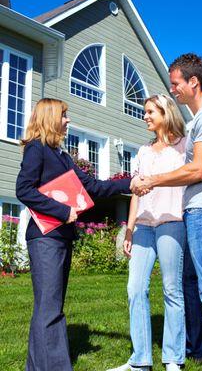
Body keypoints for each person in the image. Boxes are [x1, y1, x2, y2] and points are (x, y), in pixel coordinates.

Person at [107, 94, 202, 371]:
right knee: (135, 289)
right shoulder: (142, 151)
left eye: (150, 111)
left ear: (166, 113)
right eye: (145, 112)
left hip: (172, 222)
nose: (146, 116)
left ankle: (173, 358)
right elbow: (135, 194)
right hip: (143, 226)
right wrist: (129, 230)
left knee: (172, 289)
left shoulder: (186, 145)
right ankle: (140, 359)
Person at [131, 53, 202, 371]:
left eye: (175, 82)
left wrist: (152, 180)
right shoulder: (196, 124)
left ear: (193, 82)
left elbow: (197, 169)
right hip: (197, 210)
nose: (172, 88)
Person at [16, 98, 131, 371]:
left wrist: (131, 182)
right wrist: (61, 210)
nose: (68, 121)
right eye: (64, 116)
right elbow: (24, 190)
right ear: (50, 117)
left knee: (48, 306)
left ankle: (36, 367)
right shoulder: (37, 149)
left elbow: (92, 186)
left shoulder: (62, 156)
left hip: (60, 237)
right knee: (50, 307)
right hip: (45, 238)